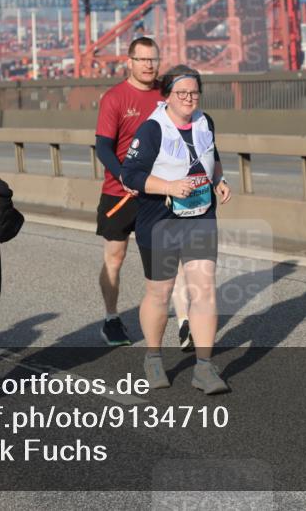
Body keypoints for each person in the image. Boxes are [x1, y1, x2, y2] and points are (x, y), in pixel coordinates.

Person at [121, 65, 232, 394]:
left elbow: (212, 155)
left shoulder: (205, 121)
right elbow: (130, 175)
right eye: (182, 93)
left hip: (200, 215)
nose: (189, 98)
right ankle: (153, 358)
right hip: (160, 219)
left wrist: (219, 179)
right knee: (160, 292)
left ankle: (204, 368)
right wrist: (169, 186)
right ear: (167, 95)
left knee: (204, 290)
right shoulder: (152, 130)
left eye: (194, 93)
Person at [93, 37, 164, 346]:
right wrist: (124, 176)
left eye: (153, 59)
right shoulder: (115, 98)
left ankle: (184, 321)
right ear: (130, 62)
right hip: (119, 193)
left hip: (157, 192)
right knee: (115, 256)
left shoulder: (167, 94)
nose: (148, 65)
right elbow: (103, 147)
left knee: (166, 259)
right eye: (142, 59)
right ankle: (111, 318)